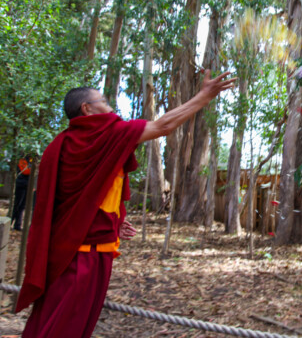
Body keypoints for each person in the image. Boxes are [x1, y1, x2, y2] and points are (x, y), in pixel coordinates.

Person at [15, 69, 235, 338]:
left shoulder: (59, 145)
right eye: (104, 102)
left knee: (58, 321)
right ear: (87, 109)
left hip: (70, 253)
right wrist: (204, 96)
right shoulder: (106, 135)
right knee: (63, 327)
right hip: (82, 259)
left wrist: (111, 220)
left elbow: (82, 199)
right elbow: (163, 126)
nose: (110, 107)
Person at [11, 156, 32, 231]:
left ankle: (17, 225)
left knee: (22, 206)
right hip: (21, 184)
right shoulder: (22, 159)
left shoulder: (31, 160)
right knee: (17, 204)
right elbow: (25, 171)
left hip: (27, 185)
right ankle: (10, 222)